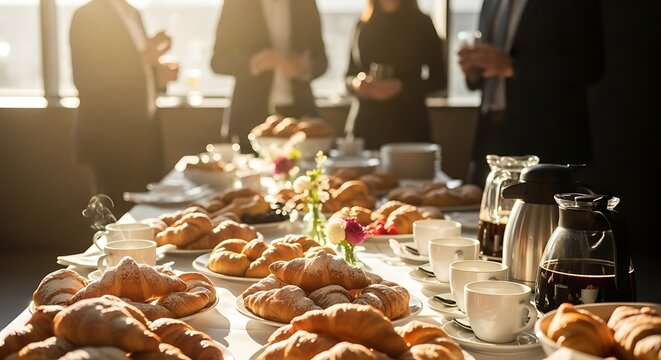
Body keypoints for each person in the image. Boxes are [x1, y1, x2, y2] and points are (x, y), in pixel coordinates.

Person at [459, 0, 604, 184]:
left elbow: (590, 67)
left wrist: (513, 67)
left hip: (546, 140)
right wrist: (474, 72)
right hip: (491, 136)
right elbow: (488, 72)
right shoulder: (490, 2)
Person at [70, 0, 178, 214]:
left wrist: (157, 75)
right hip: (111, 138)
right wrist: (142, 59)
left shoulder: (133, 13)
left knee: (148, 215)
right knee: (116, 216)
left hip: (146, 135)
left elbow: (136, 78)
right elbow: (87, 78)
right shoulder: (86, 16)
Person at [211, 0, 328, 151]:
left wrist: (305, 68)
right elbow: (217, 61)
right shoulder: (236, 4)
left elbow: (322, 60)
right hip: (250, 116)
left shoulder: (306, 3)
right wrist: (255, 63)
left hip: (300, 116)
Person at [346, 0, 446, 150]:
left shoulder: (422, 24)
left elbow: (440, 80)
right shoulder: (364, 23)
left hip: (408, 127)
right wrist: (357, 84)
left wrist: (401, 86)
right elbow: (348, 76)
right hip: (367, 128)